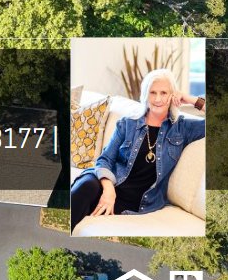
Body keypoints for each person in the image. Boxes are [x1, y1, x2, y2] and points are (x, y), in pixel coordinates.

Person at [71, 68, 205, 232]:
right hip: (106, 183)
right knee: (85, 189)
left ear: (172, 95)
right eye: (152, 92)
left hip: (137, 201)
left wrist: (190, 99)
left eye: (164, 93)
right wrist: (108, 189)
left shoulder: (182, 128)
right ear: (145, 95)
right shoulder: (128, 123)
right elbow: (105, 159)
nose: (157, 99)